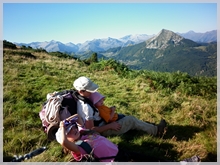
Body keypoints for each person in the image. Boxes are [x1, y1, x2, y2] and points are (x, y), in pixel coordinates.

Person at [55, 114, 200, 162]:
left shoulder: (83, 132)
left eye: (73, 127)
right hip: (115, 161)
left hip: (120, 152)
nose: (73, 130)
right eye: (69, 131)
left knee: (151, 160)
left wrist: (68, 122)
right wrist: (62, 127)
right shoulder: (77, 149)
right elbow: (62, 141)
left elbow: (79, 118)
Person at [73, 76, 167, 137]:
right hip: (104, 130)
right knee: (131, 120)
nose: (93, 92)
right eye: (90, 90)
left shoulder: (78, 97)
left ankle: (149, 126)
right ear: (81, 91)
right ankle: (157, 131)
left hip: (103, 122)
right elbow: (90, 130)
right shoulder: (86, 108)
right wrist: (111, 125)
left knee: (125, 117)